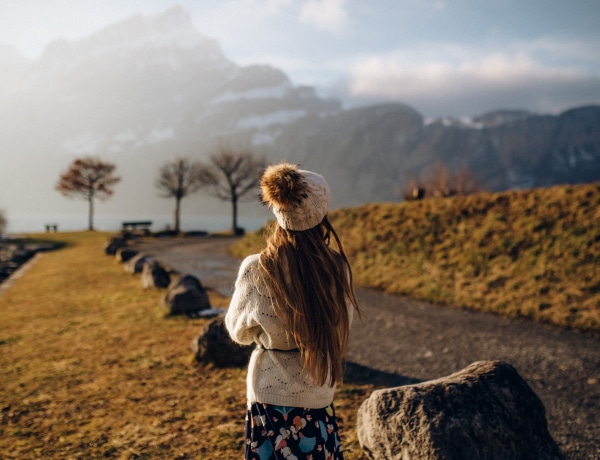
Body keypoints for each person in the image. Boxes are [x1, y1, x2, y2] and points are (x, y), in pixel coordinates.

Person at [225, 162, 361, 460]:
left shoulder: (256, 268)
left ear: (279, 211)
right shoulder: (338, 269)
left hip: (268, 398)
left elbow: (238, 331)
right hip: (318, 395)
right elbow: (341, 329)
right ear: (322, 214)